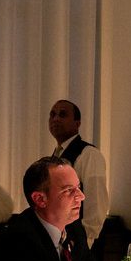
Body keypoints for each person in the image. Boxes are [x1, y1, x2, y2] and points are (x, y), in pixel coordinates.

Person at [49, 99, 109, 249]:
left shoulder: (89, 154)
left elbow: (96, 204)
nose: (55, 119)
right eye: (53, 114)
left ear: (77, 123)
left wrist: (85, 243)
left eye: (63, 114)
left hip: (79, 244)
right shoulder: (56, 155)